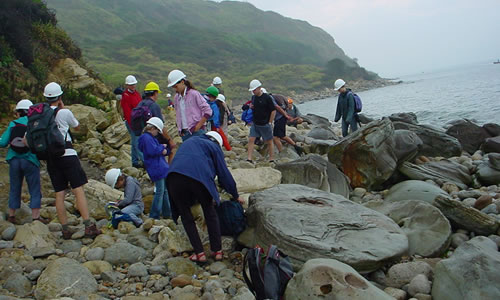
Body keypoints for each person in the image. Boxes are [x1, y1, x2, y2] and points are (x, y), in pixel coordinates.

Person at [167, 131, 244, 263]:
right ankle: (217, 251)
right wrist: (235, 195)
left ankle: (199, 253)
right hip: (199, 178)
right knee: (210, 212)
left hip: (174, 177)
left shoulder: (189, 141)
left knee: (186, 216)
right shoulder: (213, 147)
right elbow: (223, 174)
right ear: (217, 143)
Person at [42, 82, 101, 239]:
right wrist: (63, 108)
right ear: (59, 97)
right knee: (78, 189)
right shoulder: (64, 113)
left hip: (51, 159)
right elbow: (76, 126)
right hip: (67, 154)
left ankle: (65, 229)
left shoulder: (40, 116)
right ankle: (88, 225)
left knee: (59, 194)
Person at [0, 99, 46, 224]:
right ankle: (36, 216)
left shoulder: (13, 124)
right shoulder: (35, 124)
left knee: (15, 187)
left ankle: (11, 215)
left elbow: (3, 143)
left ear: (18, 112)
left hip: (14, 159)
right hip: (30, 159)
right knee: (34, 188)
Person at [138, 117, 171, 220]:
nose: (158, 133)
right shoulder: (147, 138)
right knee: (161, 191)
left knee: (164, 191)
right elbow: (152, 151)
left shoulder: (147, 138)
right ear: (153, 128)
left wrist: (162, 148)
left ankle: (167, 213)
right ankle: (154, 215)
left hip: (158, 167)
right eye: (157, 130)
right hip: (157, 168)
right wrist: (162, 148)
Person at [167, 70, 212, 141]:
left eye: (176, 86)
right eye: (173, 87)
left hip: (197, 132)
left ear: (182, 82)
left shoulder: (194, 94)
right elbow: (178, 114)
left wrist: (198, 126)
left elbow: (208, 111)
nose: (175, 89)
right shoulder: (176, 98)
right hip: (184, 133)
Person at [136, 81, 176, 154]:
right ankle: (169, 165)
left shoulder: (140, 104)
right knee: (171, 149)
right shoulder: (154, 106)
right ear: (155, 93)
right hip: (154, 137)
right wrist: (170, 140)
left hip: (142, 137)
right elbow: (162, 126)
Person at [265, 91, 304, 156]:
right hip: (281, 118)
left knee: (276, 138)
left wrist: (286, 115)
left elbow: (277, 107)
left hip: (279, 118)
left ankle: (282, 153)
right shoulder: (272, 98)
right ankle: (297, 147)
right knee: (282, 136)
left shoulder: (270, 99)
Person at [247, 79, 276, 163]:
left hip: (265, 123)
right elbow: (254, 107)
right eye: (252, 90)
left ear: (259, 88)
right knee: (251, 139)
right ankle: (249, 158)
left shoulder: (267, 98)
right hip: (255, 122)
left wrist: (270, 122)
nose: (253, 91)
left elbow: (273, 110)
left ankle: (271, 159)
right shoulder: (253, 97)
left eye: (254, 90)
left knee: (269, 141)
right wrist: (251, 107)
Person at [120, 75, 143, 168]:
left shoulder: (136, 94)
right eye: (131, 85)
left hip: (138, 121)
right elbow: (127, 112)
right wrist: (132, 123)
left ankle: (135, 161)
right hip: (133, 122)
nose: (133, 86)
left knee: (135, 142)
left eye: (134, 84)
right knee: (136, 142)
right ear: (127, 85)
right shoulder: (126, 96)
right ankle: (144, 160)